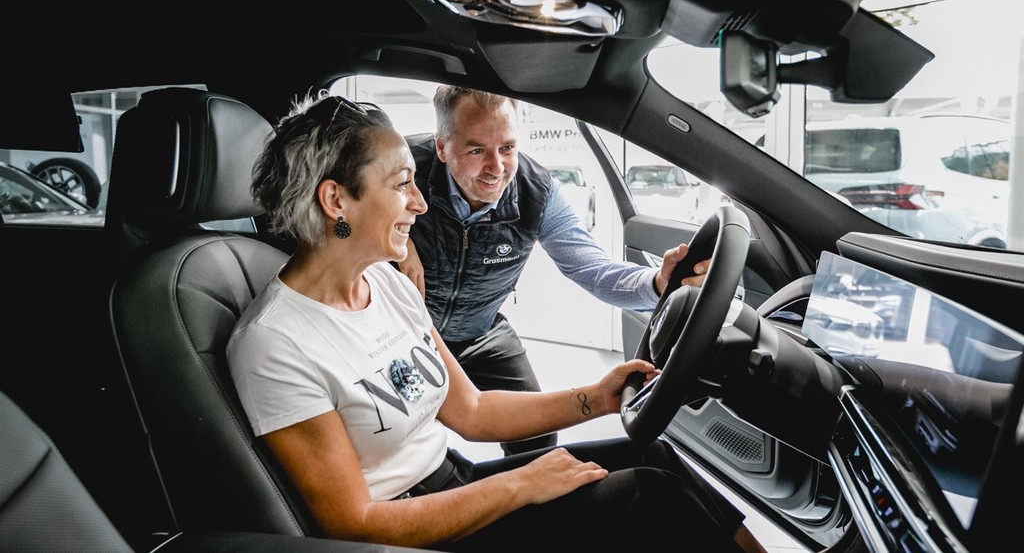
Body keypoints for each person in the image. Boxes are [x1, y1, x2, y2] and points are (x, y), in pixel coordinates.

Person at [226, 93, 765, 552]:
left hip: (454, 472)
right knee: (650, 499)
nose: (419, 203)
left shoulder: (387, 286)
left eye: (507, 148)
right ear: (335, 199)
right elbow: (352, 524)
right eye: (401, 185)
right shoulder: (275, 341)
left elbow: (473, 411)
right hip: (412, 531)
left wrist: (598, 397)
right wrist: (518, 485)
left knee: (655, 456)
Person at [399, 85, 708, 454]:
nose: (497, 168)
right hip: (403, 331)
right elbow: (338, 210)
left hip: (480, 332)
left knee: (537, 436)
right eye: (476, 150)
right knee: (401, 439)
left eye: (507, 148)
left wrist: (658, 282)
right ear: (441, 147)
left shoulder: (537, 193)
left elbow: (591, 268)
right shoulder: (399, 167)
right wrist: (393, 239)